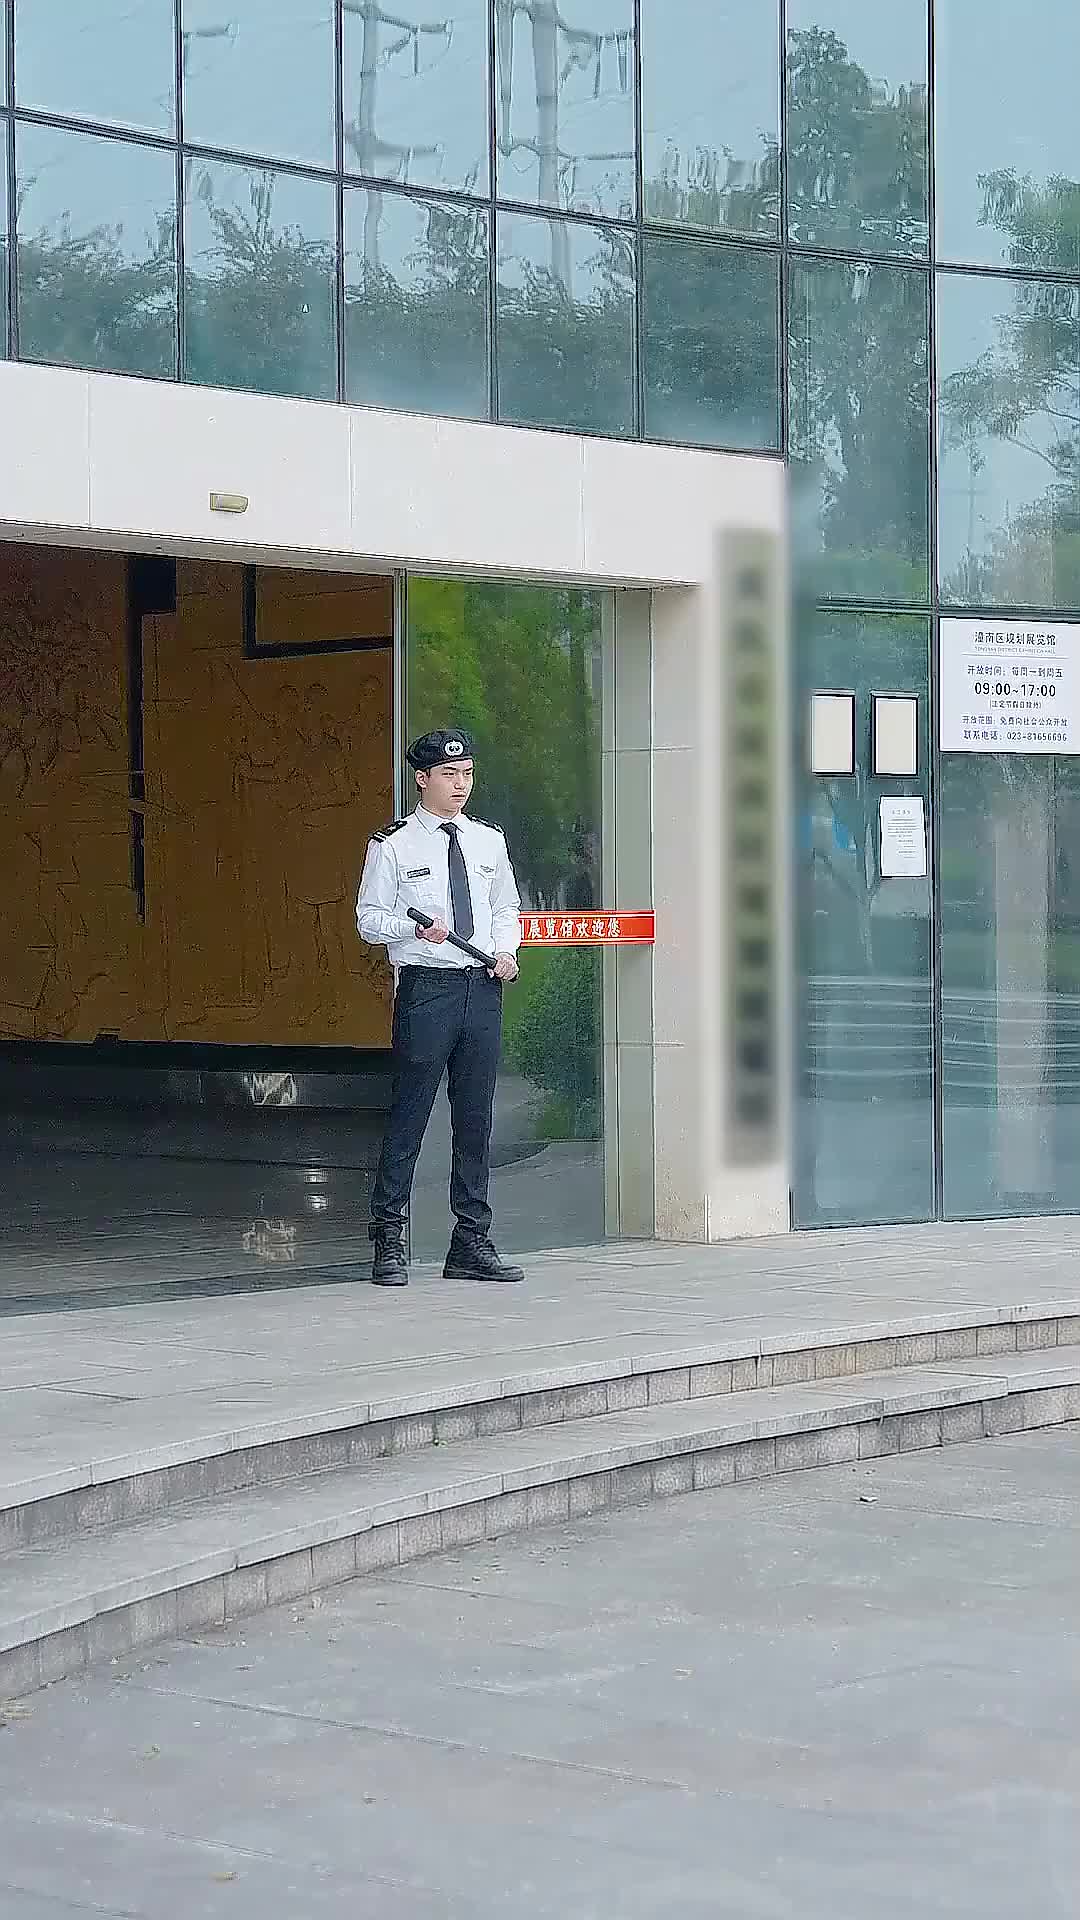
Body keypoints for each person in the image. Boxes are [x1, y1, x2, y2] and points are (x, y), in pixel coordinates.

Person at [356, 729, 525, 1286]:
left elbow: (505, 906)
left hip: (482, 986)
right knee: (411, 1113)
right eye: (449, 775)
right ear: (422, 779)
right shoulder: (394, 844)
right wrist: (413, 929)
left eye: (467, 774)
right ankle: (388, 1237)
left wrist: (507, 952)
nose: (461, 785)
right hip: (427, 987)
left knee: (475, 1117)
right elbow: (368, 919)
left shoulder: (488, 840)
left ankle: (471, 1241)